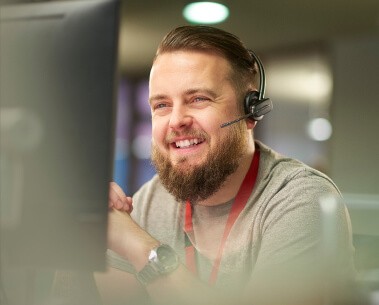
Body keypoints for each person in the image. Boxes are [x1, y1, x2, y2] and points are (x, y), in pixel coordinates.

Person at [57, 25, 356, 305]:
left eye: (198, 99)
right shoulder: (152, 200)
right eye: (161, 105)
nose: (176, 121)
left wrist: (140, 248)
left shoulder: (302, 200)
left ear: (250, 112)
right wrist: (86, 229)